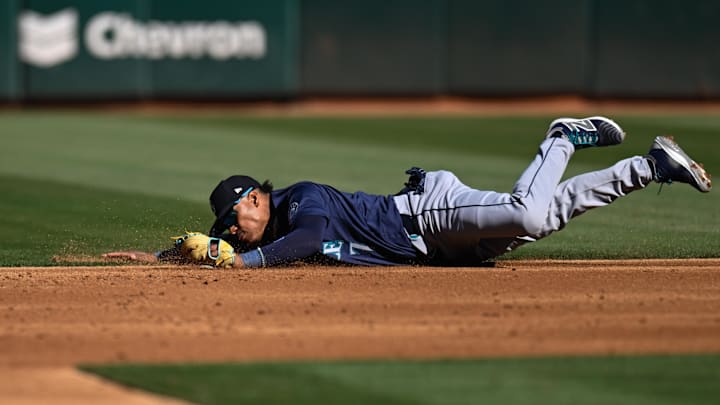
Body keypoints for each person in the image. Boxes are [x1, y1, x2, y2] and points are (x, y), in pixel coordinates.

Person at [104, 116, 712, 268]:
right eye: (228, 227)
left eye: (236, 215)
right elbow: (214, 244)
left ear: (256, 199)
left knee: (527, 209)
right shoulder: (247, 230)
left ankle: (559, 139)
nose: (232, 230)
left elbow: (312, 236)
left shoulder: (299, 202)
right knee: (544, 218)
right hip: (442, 250)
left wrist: (246, 263)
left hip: (430, 213)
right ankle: (650, 167)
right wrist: (159, 257)